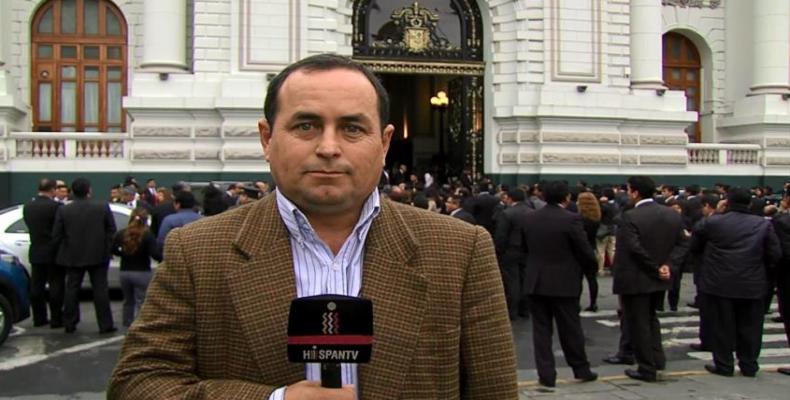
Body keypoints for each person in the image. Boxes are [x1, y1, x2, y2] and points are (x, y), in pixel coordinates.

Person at [109, 54, 517, 400]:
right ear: (267, 138)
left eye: (352, 128)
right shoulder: (198, 251)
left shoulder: (460, 250)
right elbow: (137, 384)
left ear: (385, 142)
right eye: (305, 125)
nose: (328, 147)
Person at [690, 187, 781, 378]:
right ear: (749, 203)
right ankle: (749, 365)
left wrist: (718, 212)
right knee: (751, 327)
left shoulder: (713, 222)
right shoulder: (762, 224)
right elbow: (774, 254)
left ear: (726, 202)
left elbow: (695, 244)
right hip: (752, 282)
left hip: (718, 282)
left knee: (722, 326)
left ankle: (724, 364)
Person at [521, 181, 598, 387]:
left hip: (536, 280)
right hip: (565, 280)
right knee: (570, 328)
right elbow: (585, 251)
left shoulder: (529, 218)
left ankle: (546, 375)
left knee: (541, 330)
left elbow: (524, 248)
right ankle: (580, 368)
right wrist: (588, 269)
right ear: (567, 198)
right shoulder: (572, 220)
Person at [612, 176, 686, 382]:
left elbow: (634, 248)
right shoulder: (671, 214)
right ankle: (657, 359)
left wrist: (655, 268)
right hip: (660, 276)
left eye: (629, 190)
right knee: (651, 318)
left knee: (638, 323)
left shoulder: (630, 216)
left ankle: (646, 367)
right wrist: (667, 266)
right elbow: (682, 243)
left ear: (635, 192)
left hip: (636, 277)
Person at [51, 177, 117, 334]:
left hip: (73, 255)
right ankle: (105, 324)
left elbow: (56, 235)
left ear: (72, 192)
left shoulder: (64, 210)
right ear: (89, 190)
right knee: (100, 290)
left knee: (72, 289)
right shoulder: (102, 207)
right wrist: (106, 248)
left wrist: (63, 251)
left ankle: (70, 323)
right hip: (98, 255)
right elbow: (111, 230)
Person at [22, 178, 64, 328]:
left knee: (36, 286)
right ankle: (56, 319)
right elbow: (60, 228)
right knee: (56, 286)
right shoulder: (56, 207)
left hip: (36, 249)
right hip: (53, 251)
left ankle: (39, 318)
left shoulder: (28, 206)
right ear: (52, 190)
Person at [112, 208, 162, 327]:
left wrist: (123, 253)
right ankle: (141, 324)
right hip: (142, 271)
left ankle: (127, 323)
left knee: (127, 301)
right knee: (142, 300)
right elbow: (154, 253)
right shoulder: (147, 235)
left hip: (124, 271)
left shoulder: (121, 234)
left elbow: (113, 249)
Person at [493, 189, 533, 320]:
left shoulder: (507, 213)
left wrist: (498, 251)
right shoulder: (532, 213)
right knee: (525, 278)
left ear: (510, 198)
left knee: (512, 282)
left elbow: (501, 235)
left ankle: (512, 311)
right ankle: (525, 309)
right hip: (527, 251)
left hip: (510, 251)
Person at [576, 191, 602, 312]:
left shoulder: (579, 219)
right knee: (592, 279)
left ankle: (577, 303)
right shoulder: (595, 218)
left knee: (578, 279)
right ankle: (594, 303)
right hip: (592, 248)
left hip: (580, 251)